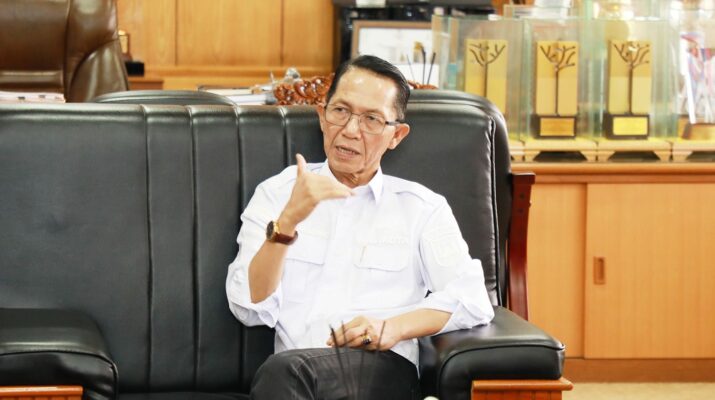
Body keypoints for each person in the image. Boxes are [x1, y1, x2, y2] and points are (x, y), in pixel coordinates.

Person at [226, 55, 494, 400]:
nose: (351, 130)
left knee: (287, 372)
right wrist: (288, 222)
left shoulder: (421, 208)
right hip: (294, 378)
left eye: (371, 119)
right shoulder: (277, 195)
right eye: (341, 111)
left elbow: (472, 299)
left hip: (381, 370)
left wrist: (392, 328)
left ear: (396, 135)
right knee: (288, 371)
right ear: (322, 115)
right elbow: (249, 308)